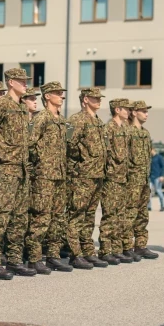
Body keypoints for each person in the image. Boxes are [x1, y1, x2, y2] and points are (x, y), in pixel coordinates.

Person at [0, 68, 37, 279]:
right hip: (5, 168)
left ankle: (14, 258)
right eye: (22, 81)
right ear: (11, 82)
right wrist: (1, 152)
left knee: (19, 217)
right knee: (0, 215)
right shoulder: (2, 105)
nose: (26, 85)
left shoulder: (22, 108)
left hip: (21, 169)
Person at [25, 81, 72, 274]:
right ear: (47, 96)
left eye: (62, 93)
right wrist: (41, 162)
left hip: (60, 174)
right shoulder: (41, 118)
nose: (62, 96)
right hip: (44, 175)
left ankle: (53, 255)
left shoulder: (61, 120)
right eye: (58, 93)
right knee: (41, 216)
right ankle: (35, 257)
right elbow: (30, 143)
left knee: (58, 217)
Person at [65, 88, 108, 269]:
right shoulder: (77, 120)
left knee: (89, 215)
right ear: (85, 100)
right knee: (76, 214)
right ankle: (75, 253)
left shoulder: (98, 121)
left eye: (99, 98)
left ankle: (88, 250)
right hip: (82, 175)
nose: (98, 100)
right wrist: (80, 163)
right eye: (94, 98)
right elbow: (69, 145)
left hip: (97, 174)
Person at [98, 98, 133, 265]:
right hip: (111, 178)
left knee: (120, 215)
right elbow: (105, 154)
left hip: (122, 177)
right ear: (117, 110)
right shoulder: (109, 128)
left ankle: (117, 249)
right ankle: (105, 249)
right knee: (110, 214)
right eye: (125, 109)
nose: (128, 112)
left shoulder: (125, 128)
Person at [124, 100, 159, 260]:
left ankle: (141, 245)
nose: (147, 114)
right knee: (130, 213)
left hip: (144, 179)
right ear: (134, 112)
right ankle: (126, 246)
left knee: (143, 214)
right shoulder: (128, 131)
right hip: (131, 180)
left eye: (147, 111)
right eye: (143, 111)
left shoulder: (145, 133)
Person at [148, 147, 164, 212]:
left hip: (157, 177)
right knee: (148, 192)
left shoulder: (159, 157)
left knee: (158, 191)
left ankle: (162, 206)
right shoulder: (150, 158)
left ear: (153, 150)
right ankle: (149, 206)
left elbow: (163, 167)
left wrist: (162, 176)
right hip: (151, 177)